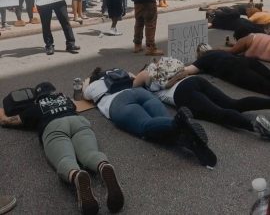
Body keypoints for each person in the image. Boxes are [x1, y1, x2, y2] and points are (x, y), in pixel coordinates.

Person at [0, 82, 124, 215]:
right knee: (90, 153)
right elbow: (75, 106)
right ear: (54, 91)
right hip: (78, 122)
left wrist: (2, 112)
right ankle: (103, 165)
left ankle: (77, 174)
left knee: (65, 158)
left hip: (54, 127)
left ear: (37, 97)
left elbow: (8, 121)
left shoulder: (34, 107)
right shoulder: (66, 99)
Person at [83, 68, 217, 168]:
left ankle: (179, 123)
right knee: (163, 122)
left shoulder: (94, 85)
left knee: (145, 125)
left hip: (118, 101)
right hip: (140, 93)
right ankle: (186, 139)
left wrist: (86, 82)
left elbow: (84, 94)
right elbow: (137, 78)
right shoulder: (122, 73)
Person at [133, 66, 270, 139]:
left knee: (218, 114)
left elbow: (133, 89)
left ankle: (254, 126)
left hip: (181, 93)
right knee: (233, 103)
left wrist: (132, 77)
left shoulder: (144, 73)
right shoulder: (160, 67)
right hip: (193, 80)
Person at [180, 46, 270, 96]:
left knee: (263, 86)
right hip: (245, 60)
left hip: (233, 68)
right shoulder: (220, 51)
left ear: (200, 54)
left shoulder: (203, 58)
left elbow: (188, 70)